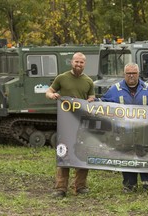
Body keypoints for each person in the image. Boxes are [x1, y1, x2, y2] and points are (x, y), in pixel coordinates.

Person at [97, 62, 148, 192]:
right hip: (124, 134)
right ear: (124, 74)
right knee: (127, 158)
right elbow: (103, 104)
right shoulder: (115, 89)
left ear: (138, 74)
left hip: (144, 133)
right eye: (128, 73)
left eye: (134, 73)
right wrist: (92, 103)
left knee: (146, 156)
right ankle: (130, 185)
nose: (131, 76)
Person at [46, 52, 95, 198]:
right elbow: (49, 91)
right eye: (76, 62)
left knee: (82, 152)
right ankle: (60, 188)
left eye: (81, 62)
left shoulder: (89, 81)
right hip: (66, 123)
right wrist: (52, 95)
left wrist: (91, 100)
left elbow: (91, 97)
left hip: (82, 124)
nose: (78, 64)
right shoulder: (62, 78)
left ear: (84, 64)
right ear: (71, 62)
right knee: (64, 153)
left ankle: (80, 186)